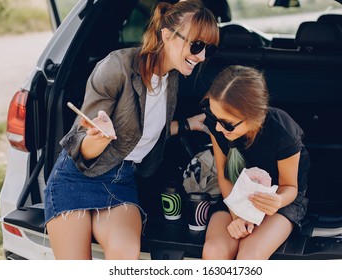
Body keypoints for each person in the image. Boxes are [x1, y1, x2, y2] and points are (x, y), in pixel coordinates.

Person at [44, 0, 219, 260]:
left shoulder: (172, 78)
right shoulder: (117, 67)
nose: (202, 56)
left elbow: (141, 133)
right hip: (76, 177)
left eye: (208, 48)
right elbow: (82, 148)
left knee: (125, 255)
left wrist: (187, 125)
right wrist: (98, 139)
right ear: (167, 36)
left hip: (121, 180)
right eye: (196, 46)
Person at [201, 65, 310, 260]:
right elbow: (224, 176)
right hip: (235, 196)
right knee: (213, 252)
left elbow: (290, 187)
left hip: (276, 203)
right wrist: (238, 215)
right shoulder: (218, 126)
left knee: (250, 256)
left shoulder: (282, 131)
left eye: (226, 123)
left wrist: (276, 201)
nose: (217, 127)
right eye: (213, 116)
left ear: (254, 117)